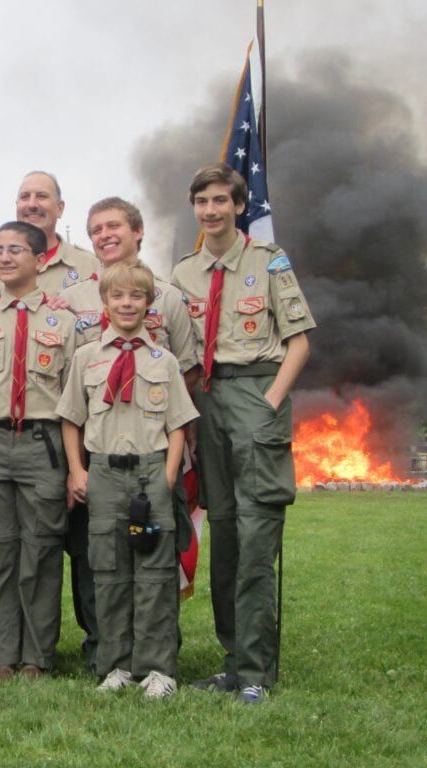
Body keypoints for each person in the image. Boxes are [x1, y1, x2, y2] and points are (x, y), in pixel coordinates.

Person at [171, 163, 315, 703]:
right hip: (207, 402)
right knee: (225, 537)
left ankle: (257, 671)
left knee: (256, 539)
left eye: (221, 201)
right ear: (195, 208)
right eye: (202, 201)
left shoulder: (267, 262)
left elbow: (299, 341)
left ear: (238, 205)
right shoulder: (184, 271)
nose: (211, 211)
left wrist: (271, 401)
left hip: (256, 394)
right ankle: (234, 662)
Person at [56, 197, 200, 671]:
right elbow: (71, 411)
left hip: (153, 469)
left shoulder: (166, 330)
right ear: (104, 303)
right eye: (95, 228)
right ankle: (112, 660)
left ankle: (158, 664)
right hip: (102, 472)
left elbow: (183, 402)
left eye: (114, 226)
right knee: (106, 568)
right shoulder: (81, 330)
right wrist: (77, 469)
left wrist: (170, 473)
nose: (125, 304)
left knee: (155, 569)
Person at [0, 221, 77, 680]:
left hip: (43, 443)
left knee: (40, 550)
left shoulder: (64, 322)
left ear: (40, 259)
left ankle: (36, 657)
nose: (4, 258)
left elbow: (72, 400)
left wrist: (73, 467)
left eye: (16, 250)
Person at [15, 171, 100, 296]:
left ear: (59, 208)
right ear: (17, 205)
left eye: (41, 196)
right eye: (25, 197)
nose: (32, 204)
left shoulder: (89, 266)